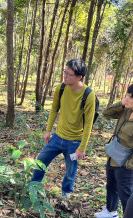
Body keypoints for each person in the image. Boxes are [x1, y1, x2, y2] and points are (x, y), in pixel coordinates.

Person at [31, 58, 96, 199]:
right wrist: (48, 130)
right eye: (64, 72)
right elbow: (54, 109)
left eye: (69, 74)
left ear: (79, 77)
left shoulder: (88, 95)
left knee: (70, 170)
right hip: (57, 137)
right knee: (40, 161)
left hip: (74, 142)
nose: (65, 76)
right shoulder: (61, 88)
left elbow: (88, 124)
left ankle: (66, 194)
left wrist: (82, 148)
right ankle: (33, 187)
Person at [94, 82, 133, 218]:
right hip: (114, 154)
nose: (126, 98)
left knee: (125, 193)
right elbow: (107, 113)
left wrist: (129, 165)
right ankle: (111, 210)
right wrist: (122, 103)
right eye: (126, 95)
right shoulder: (127, 110)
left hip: (126, 162)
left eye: (129, 96)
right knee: (111, 185)